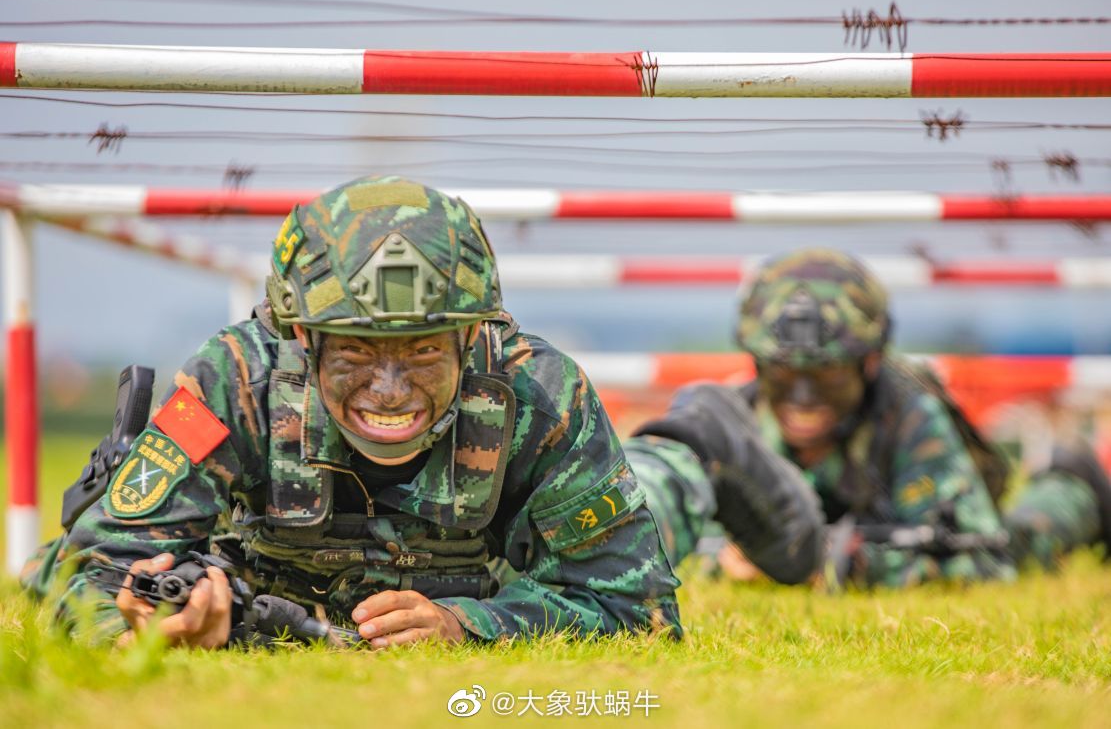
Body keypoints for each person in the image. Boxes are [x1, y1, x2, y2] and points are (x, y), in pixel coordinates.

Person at [24, 176, 681, 647]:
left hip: (488, 582)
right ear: (304, 338)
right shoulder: (237, 379)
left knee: (668, 487)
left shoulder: (540, 394)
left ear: (468, 336)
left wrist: (469, 624)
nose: (390, 390)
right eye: (358, 353)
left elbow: (638, 610)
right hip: (252, 591)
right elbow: (90, 574)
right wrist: (151, 621)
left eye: (423, 350)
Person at [627, 248, 1111, 588]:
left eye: (827, 373)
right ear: (759, 363)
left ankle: (1076, 482)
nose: (802, 393)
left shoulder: (908, 415)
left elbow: (983, 563)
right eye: (783, 371)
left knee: (1025, 542)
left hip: (908, 522)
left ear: (870, 363)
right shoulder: (734, 418)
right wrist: (733, 560)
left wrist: (838, 566)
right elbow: (679, 536)